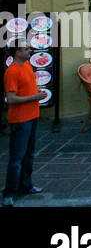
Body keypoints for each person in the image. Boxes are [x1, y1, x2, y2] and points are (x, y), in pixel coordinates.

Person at [3, 43, 43, 206]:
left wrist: (37, 93)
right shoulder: (12, 72)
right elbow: (11, 99)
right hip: (20, 120)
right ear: (17, 52)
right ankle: (9, 193)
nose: (30, 51)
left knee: (29, 155)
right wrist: (34, 97)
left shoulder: (27, 65)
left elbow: (27, 88)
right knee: (17, 158)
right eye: (26, 49)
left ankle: (26, 185)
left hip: (33, 116)